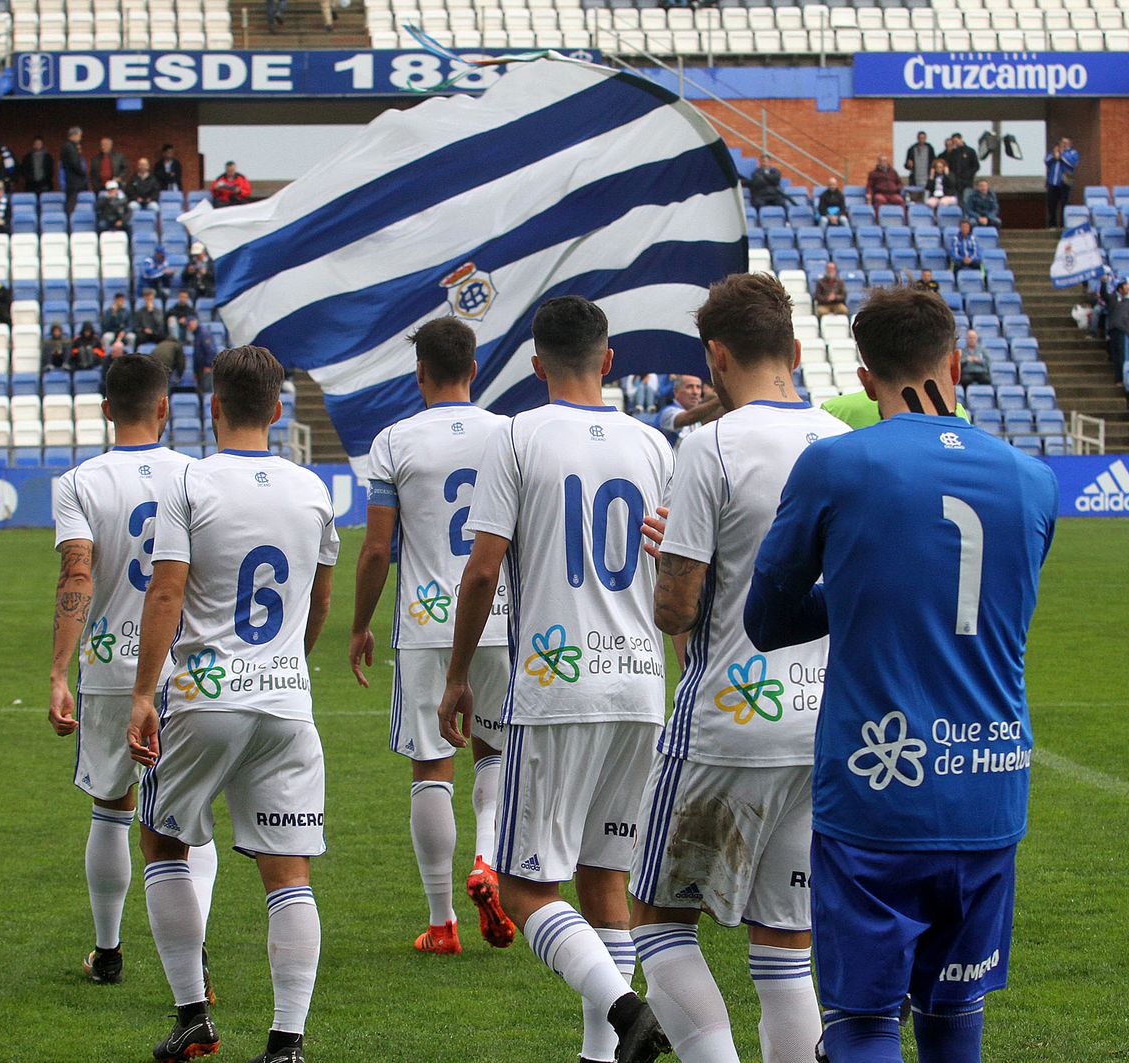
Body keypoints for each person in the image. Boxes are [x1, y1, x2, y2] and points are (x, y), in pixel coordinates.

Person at [745, 284, 1056, 1063]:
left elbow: (766, 619)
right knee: (954, 1015)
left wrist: (849, 593)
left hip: (878, 786)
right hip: (989, 781)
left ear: (863, 372)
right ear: (955, 358)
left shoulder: (836, 465)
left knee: (863, 1021)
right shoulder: (1034, 480)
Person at [433, 296, 674, 1063]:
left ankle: (626, 1009)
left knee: (522, 888)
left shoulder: (516, 435)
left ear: (536, 366)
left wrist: (458, 674)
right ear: (609, 362)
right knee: (607, 878)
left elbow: (481, 570)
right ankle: (601, 1055)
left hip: (556, 683)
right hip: (640, 685)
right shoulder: (655, 444)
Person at [626, 273, 847, 1063]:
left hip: (730, 719)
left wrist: (673, 560)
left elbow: (676, 610)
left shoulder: (710, 443)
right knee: (786, 942)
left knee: (654, 920)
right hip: (825, 719)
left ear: (715, 356)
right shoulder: (840, 440)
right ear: (793, 348)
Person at [126, 345, 338, 1063]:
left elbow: (166, 591)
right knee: (288, 869)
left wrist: (141, 693)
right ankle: (287, 1042)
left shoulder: (188, 482)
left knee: (162, 840)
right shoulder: (312, 489)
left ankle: (194, 1015)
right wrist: (290, 664)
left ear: (211, 405)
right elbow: (321, 599)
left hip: (205, 696)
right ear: (278, 410)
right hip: (286, 700)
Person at [48, 357, 221, 992]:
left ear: (103, 408)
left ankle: (109, 950)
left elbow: (77, 576)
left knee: (111, 809)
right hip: (186, 668)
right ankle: (193, 951)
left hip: (108, 668)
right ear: (164, 408)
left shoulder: (78, 482)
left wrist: (58, 672)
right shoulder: (196, 476)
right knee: (188, 817)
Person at [348, 318, 518, 955]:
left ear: (420, 372)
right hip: (501, 614)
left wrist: (362, 624)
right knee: (497, 752)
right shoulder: (509, 435)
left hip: (424, 624)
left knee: (431, 763)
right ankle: (486, 859)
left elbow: (374, 550)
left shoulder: (393, 441)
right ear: (474, 368)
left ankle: (442, 920)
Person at [659, 372, 722, 448]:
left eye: (698, 387)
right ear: (676, 391)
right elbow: (688, 417)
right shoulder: (667, 413)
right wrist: (720, 399)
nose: (695, 392)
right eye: (689, 387)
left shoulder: (698, 414)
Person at [1106, 278, 1129, 369]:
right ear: (1120, 290)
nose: (1128, 290)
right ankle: (1119, 378)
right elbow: (1104, 295)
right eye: (1126, 288)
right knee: (1117, 355)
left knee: (1122, 355)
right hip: (1114, 329)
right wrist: (1103, 282)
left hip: (1125, 331)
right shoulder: (1114, 300)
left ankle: (1123, 377)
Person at [1045, 137, 1079, 228]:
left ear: (1070, 143)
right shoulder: (1053, 152)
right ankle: (1052, 225)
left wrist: (1062, 154)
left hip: (1065, 182)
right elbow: (1046, 161)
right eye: (1062, 142)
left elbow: (1072, 163)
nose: (1063, 144)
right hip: (1053, 182)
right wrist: (1054, 155)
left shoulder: (1073, 153)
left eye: (1065, 142)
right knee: (1051, 204)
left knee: (1065, 205)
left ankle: (1063, 225)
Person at [61, 126, 89, 215]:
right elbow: (75, 164)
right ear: (74, 135)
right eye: (79, 136)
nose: (80, 138)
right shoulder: (70, 147)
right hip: (74, 181)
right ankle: (69, 222)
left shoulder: (67, 146)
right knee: (71, 203)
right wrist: (83, 173)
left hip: (71, 180)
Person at [187, 317, 217, 392]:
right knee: (200, 391)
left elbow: (211, 351)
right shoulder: (196, 334)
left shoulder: (203, 333)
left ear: (195, 322)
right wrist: (195, 371)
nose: (189, 327)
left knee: (207, 391)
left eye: (190, 324)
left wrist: (208, 365)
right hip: (200, 369)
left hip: (206, 369)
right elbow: (196, 354)